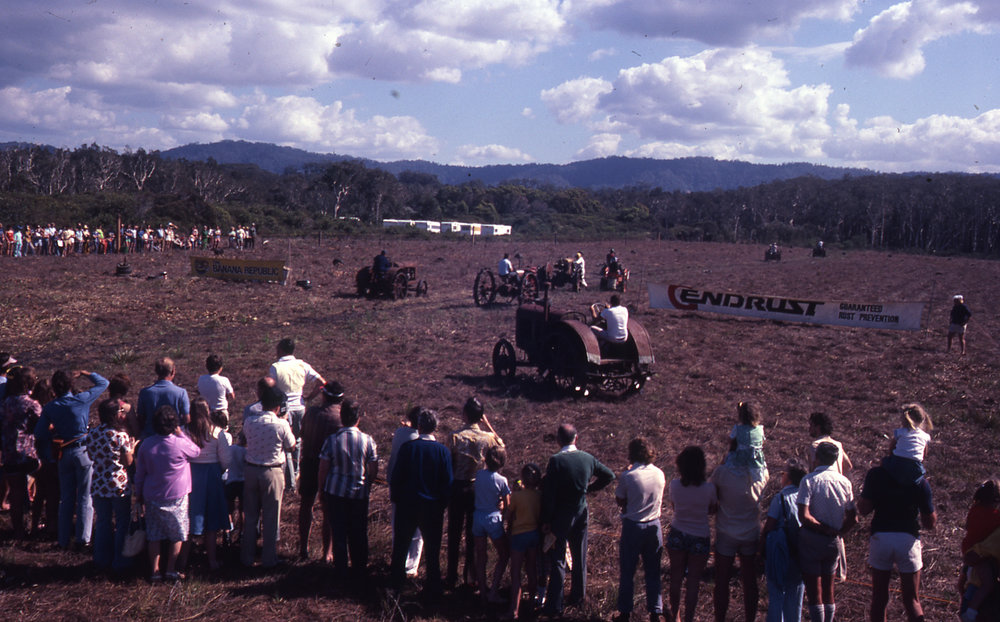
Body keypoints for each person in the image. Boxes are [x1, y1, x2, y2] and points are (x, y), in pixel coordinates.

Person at [540, 423, 615, 616]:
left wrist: (546, 518)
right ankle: (578, 597)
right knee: (579, 553)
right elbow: (609, 475)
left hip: (561, 514)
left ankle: (554, 605)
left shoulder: (556, 461)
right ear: (576, 438)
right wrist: (588, 489)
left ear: (558, 440)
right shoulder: (587, 458)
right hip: (581, 510)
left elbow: (549, 493)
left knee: (558, 557)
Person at [857, 444, 936, 622]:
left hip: (881, 537)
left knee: (879, 598)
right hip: (908, 539)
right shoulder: (920, 481)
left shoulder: (876, 475)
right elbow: (929, 522)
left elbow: (863, 509)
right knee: (912, 600)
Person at [34, 369, 109, 549]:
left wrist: (54, 431)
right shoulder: (81, 399)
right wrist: (85, 373)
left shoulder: (50, 407)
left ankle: (63, 538)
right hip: (83, 451)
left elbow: (39, 433)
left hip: (64, 452)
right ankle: (83, 539)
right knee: (85, 497)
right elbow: (103, 383)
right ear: (71, 385)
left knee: (66, 498)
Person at [390, 408, 453, 597]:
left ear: (419, 426)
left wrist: (397, 499)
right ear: (436, 427)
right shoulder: (443, 452)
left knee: (401, 548)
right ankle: (433, 588)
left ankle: (396, 586)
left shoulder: (408, 448)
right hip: (432, 508)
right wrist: (441, 504)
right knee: (432, 551)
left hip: (407, 505)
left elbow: (397, 477)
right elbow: (447, 482)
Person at [135, 405, 201, 582]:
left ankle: (155, 571)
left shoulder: (146, 445)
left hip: (152, 495)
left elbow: (140, 472)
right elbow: (196, 451)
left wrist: (138, 493)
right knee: (177, 534)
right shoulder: (180, 444)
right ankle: (171, 569)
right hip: (177, 496)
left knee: (154, 535)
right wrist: (181, 434)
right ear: (174, 424)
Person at [447, 396, 505, 590]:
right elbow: (501, 448)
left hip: (457, 487)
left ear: (465, 414)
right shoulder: (488, 438)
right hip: (476, 489)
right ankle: (470, 577)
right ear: (480, 417)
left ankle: (450, 575)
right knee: (473, 535)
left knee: (454, 533)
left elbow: (449, 463)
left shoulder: (454, 437)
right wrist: (487, 424)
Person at [317, 398, 378, 579]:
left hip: (335, 493)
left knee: (339, 532)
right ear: (358, 418)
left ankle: (341, 571)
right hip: (359, 493)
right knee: (359, 532)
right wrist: (366, 484)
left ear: (342, 417)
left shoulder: (332, 440)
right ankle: (359, 570)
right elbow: (373, 469)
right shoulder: (368, 440)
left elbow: (323, 469)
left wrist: (322, 490)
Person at [796, 442, 857, 622]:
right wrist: (838, 533)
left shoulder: (809, 480)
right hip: (833, 541)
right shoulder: (845, 482)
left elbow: (804, 515)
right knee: (829, 590)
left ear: (817, 458)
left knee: (814, 592)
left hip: (812, 539)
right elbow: (854, 517)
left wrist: (822, 529)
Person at [711, 438, 768, 622]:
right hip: (750, 532)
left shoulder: (722, 473)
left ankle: (720, 619)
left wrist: (723, 460)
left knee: (721, 580)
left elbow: (712, 494)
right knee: (750, 581)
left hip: (726, 532)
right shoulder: (761, 474)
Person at [240, 384, 296, 569]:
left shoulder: (250, 421)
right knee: (271, 517)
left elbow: (245, 440)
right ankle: (268, 559)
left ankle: (246, 558)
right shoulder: (281, 424)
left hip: (250, 470)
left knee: (250, 517)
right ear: (278, 407)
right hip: (272, 472)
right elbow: (291, 446)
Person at [615, 437, 666, 622]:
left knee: (628, 571)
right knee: (653, 570)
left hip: (633, 526)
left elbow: (620, 499)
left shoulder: (628, 476)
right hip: (654, 525)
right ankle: (655, 611)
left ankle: (625, 612)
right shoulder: (660, 473)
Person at [267, 337, 325, 493]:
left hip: (284, 409)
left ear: (280, 350)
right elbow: (321, 382)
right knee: (297, 440)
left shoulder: (276, 367)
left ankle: (290, 481)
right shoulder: (302, 365)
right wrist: (309, 398)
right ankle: (297, 471)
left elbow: (270, 388)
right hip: (300, 407)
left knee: (286, 443)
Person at [668, 446, 717, 622]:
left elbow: (674, 507)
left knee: (675, 578)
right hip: (699, 536)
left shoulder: (674, 485)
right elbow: (712, 510)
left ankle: (675, 617)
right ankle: (689, 618)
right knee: (693, 582)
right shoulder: (709, 488)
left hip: (678, 533)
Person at [87, 398, 135, 573]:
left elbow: (92, 456)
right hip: (118, 484)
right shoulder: (120, 436)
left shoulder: (92, 433)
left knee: (102, 522)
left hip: (99, 482)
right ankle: (120, 560)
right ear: (116, 414)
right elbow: (127, 461)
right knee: (122, 522)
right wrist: (132, 448)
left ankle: (101, 559)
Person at [183, 397, 231, 571]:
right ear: (208, 411)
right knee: (211, 521)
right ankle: (211, 560)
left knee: (188, 518)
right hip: (212, 475)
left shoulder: (184, 430)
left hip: (190, 474)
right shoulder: (217, 432)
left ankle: (182, 561)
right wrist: (218, 469)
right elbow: (226, 460)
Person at [298, 380, 344, 560]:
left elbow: (302, 434)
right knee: (328, 509)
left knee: (306, 505)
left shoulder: (311, 413)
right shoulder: (341, 417)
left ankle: (303, 548)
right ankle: (327, 553)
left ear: (324, 395)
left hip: (309, 463)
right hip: (330, 468)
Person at [807, 412, 852, 581]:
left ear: (818, 427)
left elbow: (813, 470)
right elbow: (848, 465)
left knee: (819, 530)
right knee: (837, 531)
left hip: (820, 490)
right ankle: (840, 572)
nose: (809, 428)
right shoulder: (837, 444)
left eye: (811, 425)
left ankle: (821, 569)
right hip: (838, 490)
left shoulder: (815, 445)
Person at [761, 460, 807, 622]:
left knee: (777, 594)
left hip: (780, 551)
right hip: (800, 552)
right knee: (796, 597)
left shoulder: (781, 498)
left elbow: (770, 525)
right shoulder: (806, 498)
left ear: (788, 477)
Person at [2, 365, 42, 539]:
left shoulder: (5, 403)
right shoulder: (32, 404)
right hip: (29, 453)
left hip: (10, 452)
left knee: (16, 493)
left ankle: (18, 529)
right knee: (42, 488)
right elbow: (42, 425)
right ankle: (35, 525)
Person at [472, 445, 510, 605]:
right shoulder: (502, 480)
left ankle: (482, 590)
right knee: (504, 554)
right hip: (493, 519)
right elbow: (508, 505)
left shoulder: (479, 475)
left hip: (478, 518)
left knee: (481, 556)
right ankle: (493, 591)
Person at [389, 406, 424, 577]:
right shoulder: (423, 438)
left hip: (398, 486)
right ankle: (411, 567)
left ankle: (398, 561)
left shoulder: (400, 433)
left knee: (398, 526)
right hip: (417, 489)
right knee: (417, 530)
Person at [958, 480, 1000, 621]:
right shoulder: (995, 517)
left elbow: (968, 527)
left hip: (968, 548)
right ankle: (971, 611)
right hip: (977, 554)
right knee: (987, 583)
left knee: (964, 580)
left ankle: (964, 601)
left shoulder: (974, 510)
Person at [505, 463, 543, 620]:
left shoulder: (517, 496)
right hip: (534, 535)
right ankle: (532, 603)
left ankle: (514, 609)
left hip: (519, 535)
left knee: (516, 572)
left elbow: (508, 515)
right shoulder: (539, 496)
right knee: (532, 568)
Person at [137, 358, 190, 439]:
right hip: (173, 437)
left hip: (150, 437)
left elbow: (141, 418)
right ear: (173, 371)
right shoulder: (181, 393)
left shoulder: (145, 393)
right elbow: (187, 419)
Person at [884, 403, 933, 485]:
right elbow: (924, 453)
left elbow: (891, 448)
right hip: (915, 467)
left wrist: (890, 459)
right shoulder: (925, 436)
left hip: (897, 463)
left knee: (884, 462)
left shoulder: (900, 432)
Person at [730, 400, 767, 482]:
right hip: (757, 462)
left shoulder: (737, 428)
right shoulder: (760, 429)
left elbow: (731, 440)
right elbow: (762, 443)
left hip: (740, 461)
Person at [196, 354, 235, 422]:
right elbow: (232, 396)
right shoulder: (224, 380)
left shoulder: (201, 379)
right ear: (220, 368)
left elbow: (199, 392)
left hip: (206, 413)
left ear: (207, 366)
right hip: (221, 413)